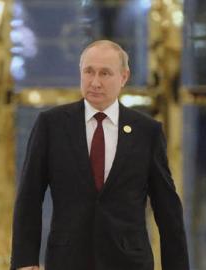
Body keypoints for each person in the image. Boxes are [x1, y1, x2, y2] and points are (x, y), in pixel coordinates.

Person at [10, 40, 189, 270]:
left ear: (124, 77)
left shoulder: (147, 132)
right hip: (67, 260)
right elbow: (29, 197)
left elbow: (168, 210)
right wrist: (25, 262)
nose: (95, 82)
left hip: (129, 261)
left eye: (105, 73)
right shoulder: (51, 125)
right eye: (89, 72)